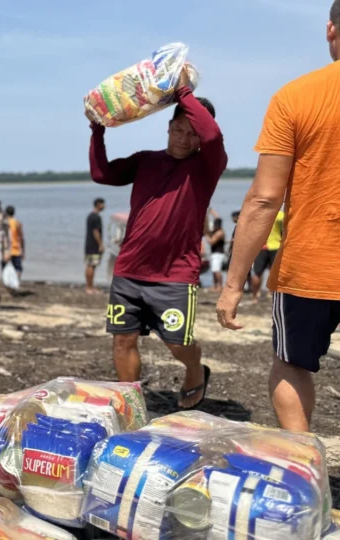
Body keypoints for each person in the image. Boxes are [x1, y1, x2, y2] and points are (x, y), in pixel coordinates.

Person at [217, 0, 340, 433]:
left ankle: (304, 466)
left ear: (331, 29)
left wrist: (233, 284)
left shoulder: (296, 95)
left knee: (292, 365)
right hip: (314, 263)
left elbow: (263, 199)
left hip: (311, 262)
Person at [89, 67, 227, 409]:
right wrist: (97, 131)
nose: (183, 138)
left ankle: (195, 370)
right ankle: (130, 405)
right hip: (129, 271)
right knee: (122, 342)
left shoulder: (207, 165)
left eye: (190, 133)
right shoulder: (145, 161)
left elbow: (211, 137)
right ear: (168, 127)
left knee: (178, 344)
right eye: (177, 129)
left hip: (175, 276)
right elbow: (101, 174)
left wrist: (182, 93)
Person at [250, 210, 285, 300]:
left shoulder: (259, 214)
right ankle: (271, 294)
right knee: (274, 273)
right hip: (275, 246)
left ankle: (255, 296)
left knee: (257, 273)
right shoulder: (279, 214)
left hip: (262, 247)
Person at [85, 198, 106, 294]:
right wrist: (101, 244)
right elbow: (96, 231)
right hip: (94, 245)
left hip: (88, 245)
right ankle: (90, 288)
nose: (104, 206)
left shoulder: (90, 216)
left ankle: (89, 286)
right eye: (103, 204)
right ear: (98, 204)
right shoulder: (96, 217)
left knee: (89, 265)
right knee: (92, 266)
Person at [5, 205, 25, 283]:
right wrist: (23, 250)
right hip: (16, 250)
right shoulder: (17, 223)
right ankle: (15, 282)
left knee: (6, 268)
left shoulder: (4, 223)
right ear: (14, 213)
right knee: (18, 269)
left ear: (6, 213)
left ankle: (9, 284)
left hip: (6, 250)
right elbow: (21, 238)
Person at [208, 218, 227, 292]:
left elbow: (212, 242)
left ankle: (220, 286)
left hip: (218, 254)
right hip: (214, 253)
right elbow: (217, 217)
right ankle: (215, 286)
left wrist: (206, 235)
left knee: (217, 271)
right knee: (214, 271)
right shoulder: (217, 231)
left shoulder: (220, 232)